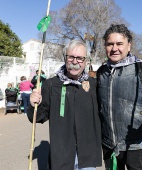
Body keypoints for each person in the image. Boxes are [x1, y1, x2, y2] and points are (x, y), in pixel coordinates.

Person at [97, 24, 142, 170]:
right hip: (109, 146)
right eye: (110, 44)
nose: (114, 48)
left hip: (137, 145)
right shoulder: (101, 72)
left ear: (129, 46)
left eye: (119, 44)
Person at [27, 39, 102, 170]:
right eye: (71, 57)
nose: (75, 61)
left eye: (80, 58)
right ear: (65, 58)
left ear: (86, 61)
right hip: (61, 155)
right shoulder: (51, 84)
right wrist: (33, 104)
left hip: (87, 156)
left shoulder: (94, 85)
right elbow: (39, 117)